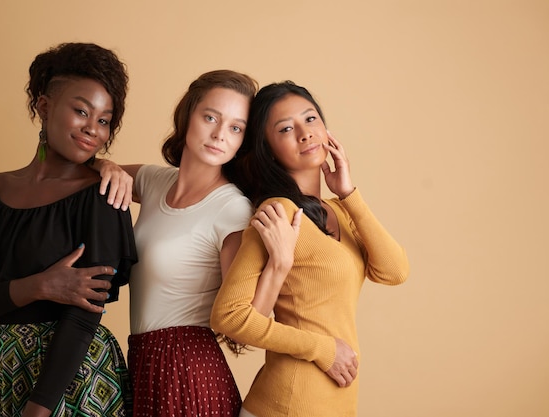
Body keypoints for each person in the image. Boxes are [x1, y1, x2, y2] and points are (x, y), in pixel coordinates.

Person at [96, 70, 305, 417]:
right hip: (146, 364)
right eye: (210, 117)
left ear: (243, 141)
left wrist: (280, 264)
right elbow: (82, 173)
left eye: (236, 128)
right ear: (187, 115)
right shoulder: (153, 181)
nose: (220, 135)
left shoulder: (231, 209)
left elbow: (245, 325)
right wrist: (106, 165)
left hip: (189, 373)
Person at [0, 42, 137, 417]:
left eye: (104, 120)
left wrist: (40, 407)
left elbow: (84, 316)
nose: (92, 129)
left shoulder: (102, 196)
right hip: (4, 368)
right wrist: (40, 285)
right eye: (81, 111)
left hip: (74, 377)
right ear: (45, 106)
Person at [210, 81, 410, 417]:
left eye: (311, 119)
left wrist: (349, 193)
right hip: (286, 403)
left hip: (335, 405)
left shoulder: (342, 211)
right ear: (269, 149)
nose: (305, 133)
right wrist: (322, 348)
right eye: (286, 128)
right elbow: (230, 316)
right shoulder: (278, 212)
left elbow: (395, 271)